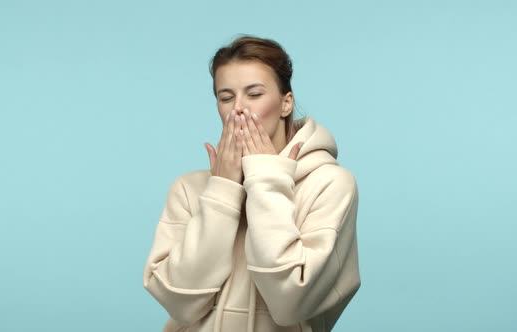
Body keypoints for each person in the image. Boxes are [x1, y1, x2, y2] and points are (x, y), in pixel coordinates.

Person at [142, 35, 361, 332]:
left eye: (255, 94)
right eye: (226, 97)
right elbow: (178, 302)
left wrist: (266, 182)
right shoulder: (189, 188)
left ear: (286, 104)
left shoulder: (330, 184)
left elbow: (290, 303)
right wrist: (222, 192)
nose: (238, 110)